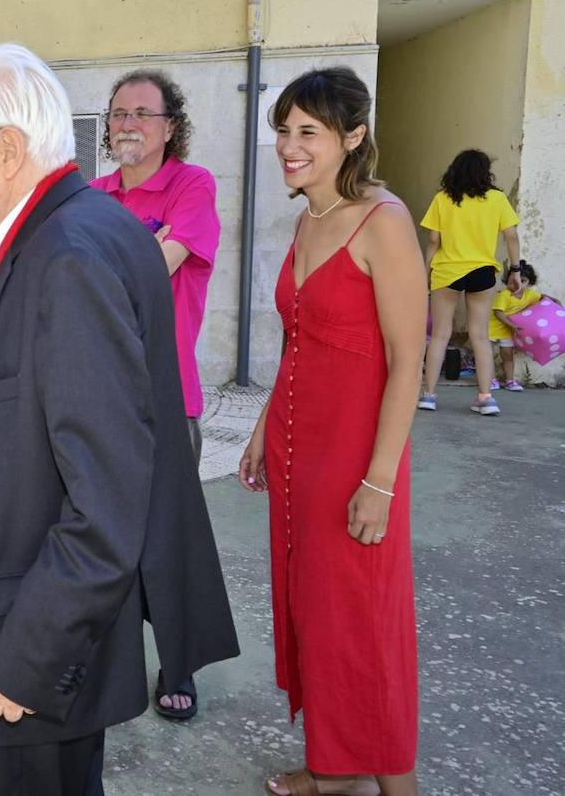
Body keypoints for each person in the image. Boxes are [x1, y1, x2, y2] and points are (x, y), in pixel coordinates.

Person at [0, 44, 238, 796]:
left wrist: (28, 655)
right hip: (28, 630)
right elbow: (17, 389)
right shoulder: (74, 229)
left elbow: (108, 498)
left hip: (26, 660)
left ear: (6, 150)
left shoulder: (66, 258)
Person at [238, 66, 424, 796]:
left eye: (307, 131)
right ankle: (337, 767)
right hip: (296, 448)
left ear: (353, 136)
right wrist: (260, 425)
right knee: (316, 610)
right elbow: (297, 342)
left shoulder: (386, 222)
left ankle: (397, 783)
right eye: (283, 130)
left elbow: (408, 361)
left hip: (357, 454)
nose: (289, 145)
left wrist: (379, 480)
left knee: (365, 622)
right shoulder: (307, 218)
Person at [90, 68, 221, 721]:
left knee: (167, 538)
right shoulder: (93, 193)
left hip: (170, 397)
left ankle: (178, 663)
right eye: (118, 114)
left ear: (172, 125)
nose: (129, 124)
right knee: (104, 533)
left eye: (143, 112)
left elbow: (149, 268)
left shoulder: (192, 186)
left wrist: (112, 256)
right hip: (100, 396)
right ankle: (113, 661)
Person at [418, 149, 522, 416]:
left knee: (440, 334)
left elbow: (433, 241)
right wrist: (516, 270)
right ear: (485, 171)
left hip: (447, 271)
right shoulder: (497, 199)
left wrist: (425, 271)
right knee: (480, 335)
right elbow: (511, 236)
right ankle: (486, 397)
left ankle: (429, 394)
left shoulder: (443, 199)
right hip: (482, 271)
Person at [489, 259, 541, 392]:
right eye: (513, 281)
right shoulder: (504, 295)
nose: (517, 284)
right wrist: (512, 325)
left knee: (507, 355)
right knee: (487, 355)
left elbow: (542, 298)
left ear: (530, 283)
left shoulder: (529, 294)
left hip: (508, 330)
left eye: (522, 281)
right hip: (492, 329)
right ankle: (490, 379)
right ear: (507, 281)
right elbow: (498, 313)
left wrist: (555, 301)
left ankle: (510, 381)